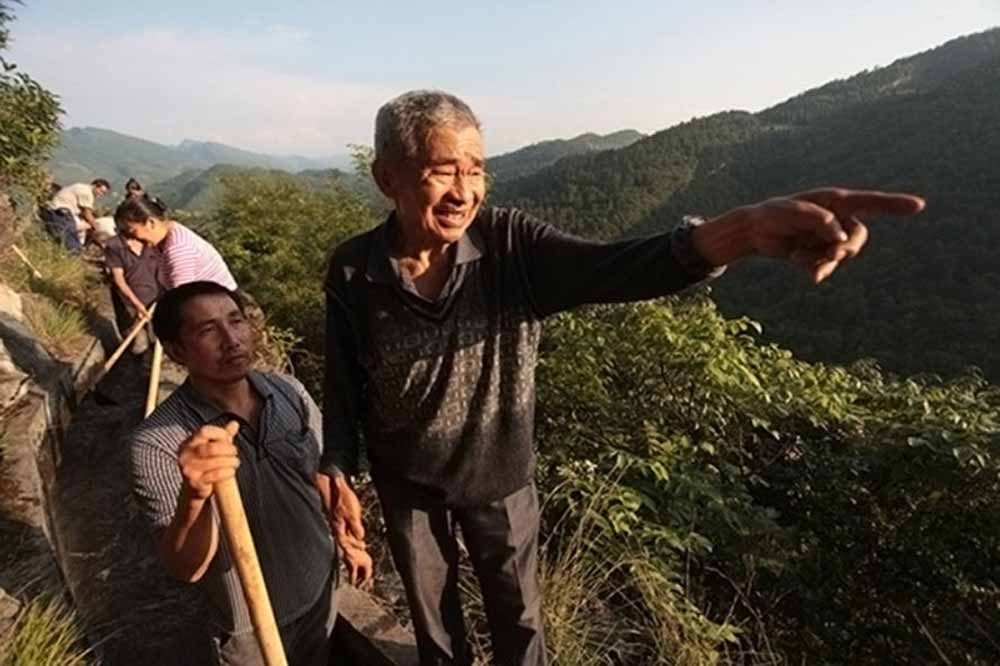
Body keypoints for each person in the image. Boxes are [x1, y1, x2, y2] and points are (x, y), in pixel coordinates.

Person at [322, 90, 926, 666]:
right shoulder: (354, 269)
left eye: (476, 169)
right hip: (407, 485)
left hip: (500, 478)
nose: (465, 190)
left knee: (521, 625)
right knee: (435, 630)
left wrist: (733, 235)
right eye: (442, 170)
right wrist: (338, 466)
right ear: (388, 178)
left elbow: (615, 269)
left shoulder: (509, 246)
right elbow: (345, 376)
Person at [128, 281, 372, 665]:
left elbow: (319, 470)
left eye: (236, 321)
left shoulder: (289, 392)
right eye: (208, 331)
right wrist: (195, 495)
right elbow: (185, 567)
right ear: (176, 351)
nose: (232, 340)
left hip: (321, 589)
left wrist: (348, 537)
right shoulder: (158, 442)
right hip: (250, 628)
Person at [114, 194, 239, 291]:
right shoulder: (167, 233)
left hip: (219, 306)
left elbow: (181, 300)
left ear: (151, 223)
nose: (128, 238)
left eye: (130, 231)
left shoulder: (179, 249)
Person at [103, 231, 164, 353]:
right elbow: (119, 280)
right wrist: (137, 305)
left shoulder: (154, 240)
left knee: (157, 343)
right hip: (129, 305)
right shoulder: (115, 245)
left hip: (155, 302)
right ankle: (136, 368)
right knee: (138, 345)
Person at [42, 179, 110, 253]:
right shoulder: (87, 193)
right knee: (73, 246)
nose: (101, 194)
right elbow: (87, 214)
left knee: (82, 227)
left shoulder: (80, 186)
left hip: (57, 209)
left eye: (104, 193)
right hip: (63, 212)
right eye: (101, 191)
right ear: (96, 186)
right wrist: (96, 227)